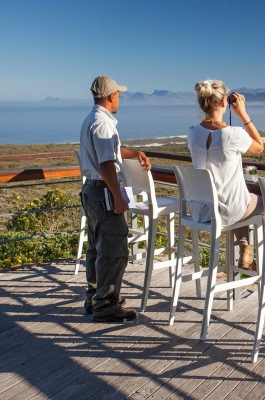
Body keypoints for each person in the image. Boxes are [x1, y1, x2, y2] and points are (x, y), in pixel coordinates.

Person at [187, 79, 265, 279]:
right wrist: (242, 114)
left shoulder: (192, 133)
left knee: (243, 199)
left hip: (201, 209)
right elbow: (259, 147)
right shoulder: (233, 134)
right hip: (225, 211)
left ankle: (245, 251)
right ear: (224, 102)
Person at [79, 76, 151, 322]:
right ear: (111, 96)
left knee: (96, 247)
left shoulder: (92, 119)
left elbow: (110, 151)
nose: (119, 98)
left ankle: (94, 298)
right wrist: (117, 195)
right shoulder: (104, 124)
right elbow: (106, 163)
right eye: (118, 94)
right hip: (103, 192)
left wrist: (135, 153)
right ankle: (106, 304)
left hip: (91, 190)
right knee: (114, 250)